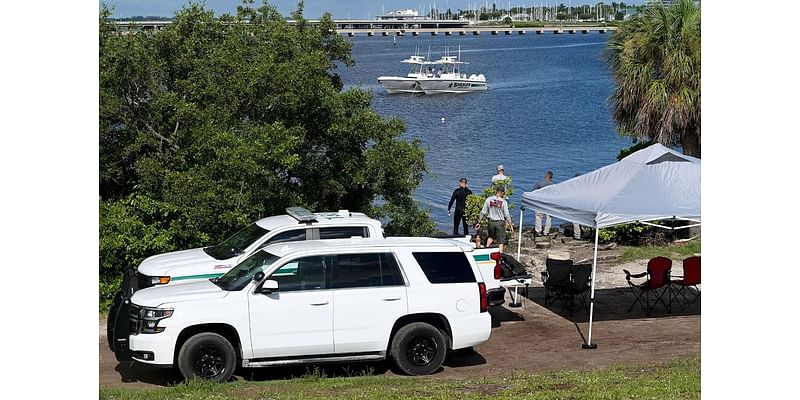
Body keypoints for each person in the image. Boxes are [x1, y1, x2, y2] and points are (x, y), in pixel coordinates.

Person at [476, 186, 514, 253]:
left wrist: (479, 221)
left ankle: (486, 249)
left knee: (491, 237)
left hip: (491, 222)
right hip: (500, 223)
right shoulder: (503, 202)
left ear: (496, 191)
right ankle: (501, 254)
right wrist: (510, 224)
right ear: (502, 193)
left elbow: (483, 212)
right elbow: (507, 214)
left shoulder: (488, 199)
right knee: (501, 241)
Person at [533, 171, 554, 236]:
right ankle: (546, 232)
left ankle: (538, 231)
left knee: (538, 216)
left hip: (539, 202)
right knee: (549, 217)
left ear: (546, 176)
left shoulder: (540, 183)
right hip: (549, 203)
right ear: (551, 177)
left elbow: (534, 191)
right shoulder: (553, 185)